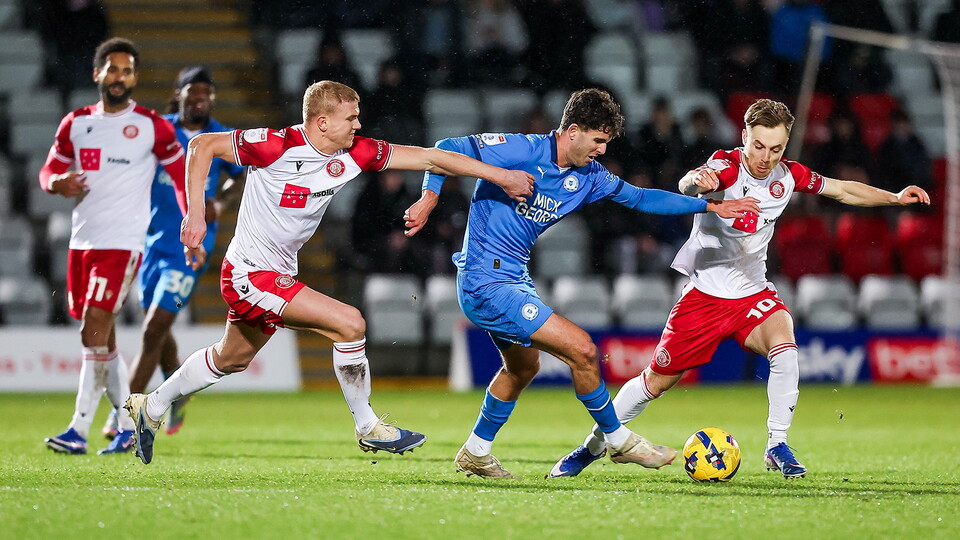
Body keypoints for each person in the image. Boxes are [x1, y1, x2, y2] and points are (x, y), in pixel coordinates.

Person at [123, 80, 538, 465]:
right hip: (250, 273)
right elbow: (201, 145)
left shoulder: (356, 153)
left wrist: (499, 176)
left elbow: (431, 157)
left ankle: (151, 405)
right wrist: (195, 213)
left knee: (230, 358)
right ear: (322, 122)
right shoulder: (275, 144)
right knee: (349, 323)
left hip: (277, 270)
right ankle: (368, 426)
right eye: (351, 118)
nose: (359, 125)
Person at [549, 99, 930, 479]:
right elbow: (689, 182)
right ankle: (592, 446)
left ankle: (777, 444)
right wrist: (698, 182)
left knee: (785, 348)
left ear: (785, 145)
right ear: (745, 135)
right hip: (704, 297)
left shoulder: (789, 175)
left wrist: (894, 197)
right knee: (654, 382)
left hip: (753, 293)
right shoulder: (726, 167)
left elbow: (842, 190)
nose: (765, 157)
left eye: (776, 148)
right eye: (758, 145)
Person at [403, 88, 760, 478]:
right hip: (484, 280)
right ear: (573, 131)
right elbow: (445, 148)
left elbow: (641, 198)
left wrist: (710, 206)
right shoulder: (522, 149)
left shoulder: (590, 176)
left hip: (515, 278)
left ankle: (475, 451)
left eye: (606, 143)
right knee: (584, 351)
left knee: (522, 370)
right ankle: (619, 441)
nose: (602, 151)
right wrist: (432, 197)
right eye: (598, 140)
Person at [38, 38, 188, 455]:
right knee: (99, 340)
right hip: (82, 241)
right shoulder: (75, 123)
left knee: (93, 327)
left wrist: (190, 219)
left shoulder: (152, 126)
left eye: (127, 70)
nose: (119, 76)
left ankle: (77, 430)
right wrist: (56, 182)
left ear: (135, 78)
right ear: (97, 73)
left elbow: (180, 174)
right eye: (113, 69)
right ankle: (126, 426)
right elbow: (49, 170)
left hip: (122, 243)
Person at [101, 66, 246, 440]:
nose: (201, 98)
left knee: (153, 329)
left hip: (191, 246)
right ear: (178, 94)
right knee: (158, 329)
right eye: (193, 90)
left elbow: (241, 175)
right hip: (150, 242)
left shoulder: (220, 137)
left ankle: (124, 419)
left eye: (207, 92)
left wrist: (220, 203)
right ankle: (178, 389)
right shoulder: (157, 129)